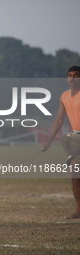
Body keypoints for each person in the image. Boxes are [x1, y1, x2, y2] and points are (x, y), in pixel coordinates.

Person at [42, 66, 80, 219]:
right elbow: (59, 120)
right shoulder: (64, 96)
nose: (72, 78)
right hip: (76, 138)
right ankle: (79, 210)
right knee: (75, 171)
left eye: (76, 76)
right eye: (70, 75)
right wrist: (49, 141)